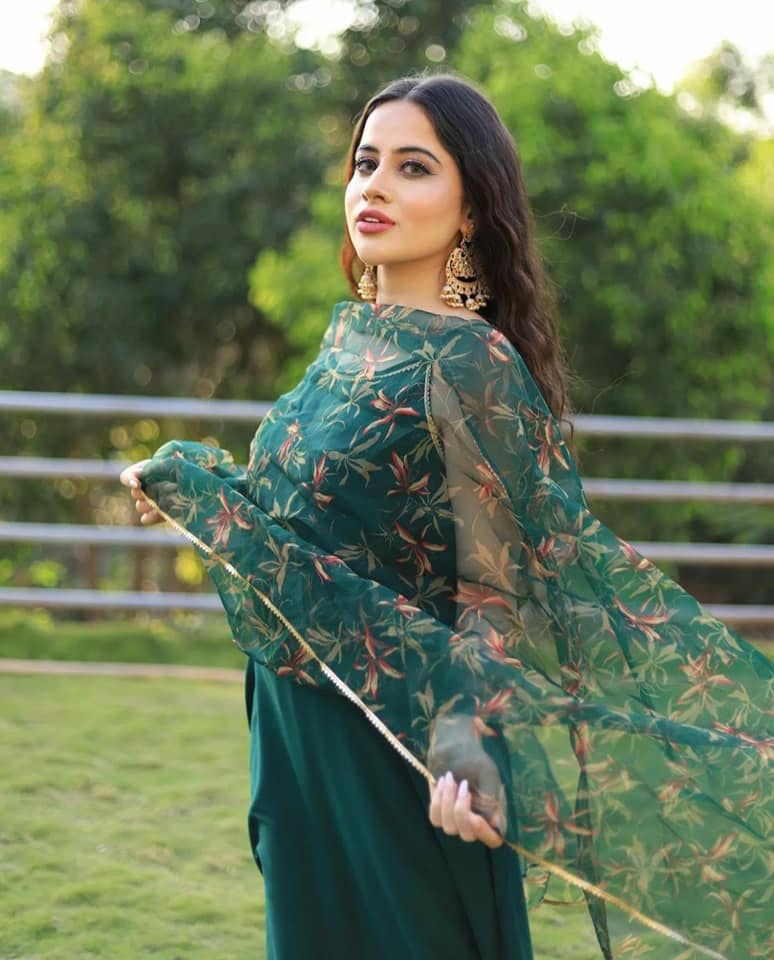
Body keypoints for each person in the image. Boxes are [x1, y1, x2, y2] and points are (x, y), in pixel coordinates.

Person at [120, 73, 771, 960]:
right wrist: (193, 491)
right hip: (295, 721)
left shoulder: (470, 363)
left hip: (393, 736)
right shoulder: (352, 336)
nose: (375, 185)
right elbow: (307, 524)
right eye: (365, 163)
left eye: (413, 167)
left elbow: (498, 587)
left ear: (470, 211)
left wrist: (465, 734)